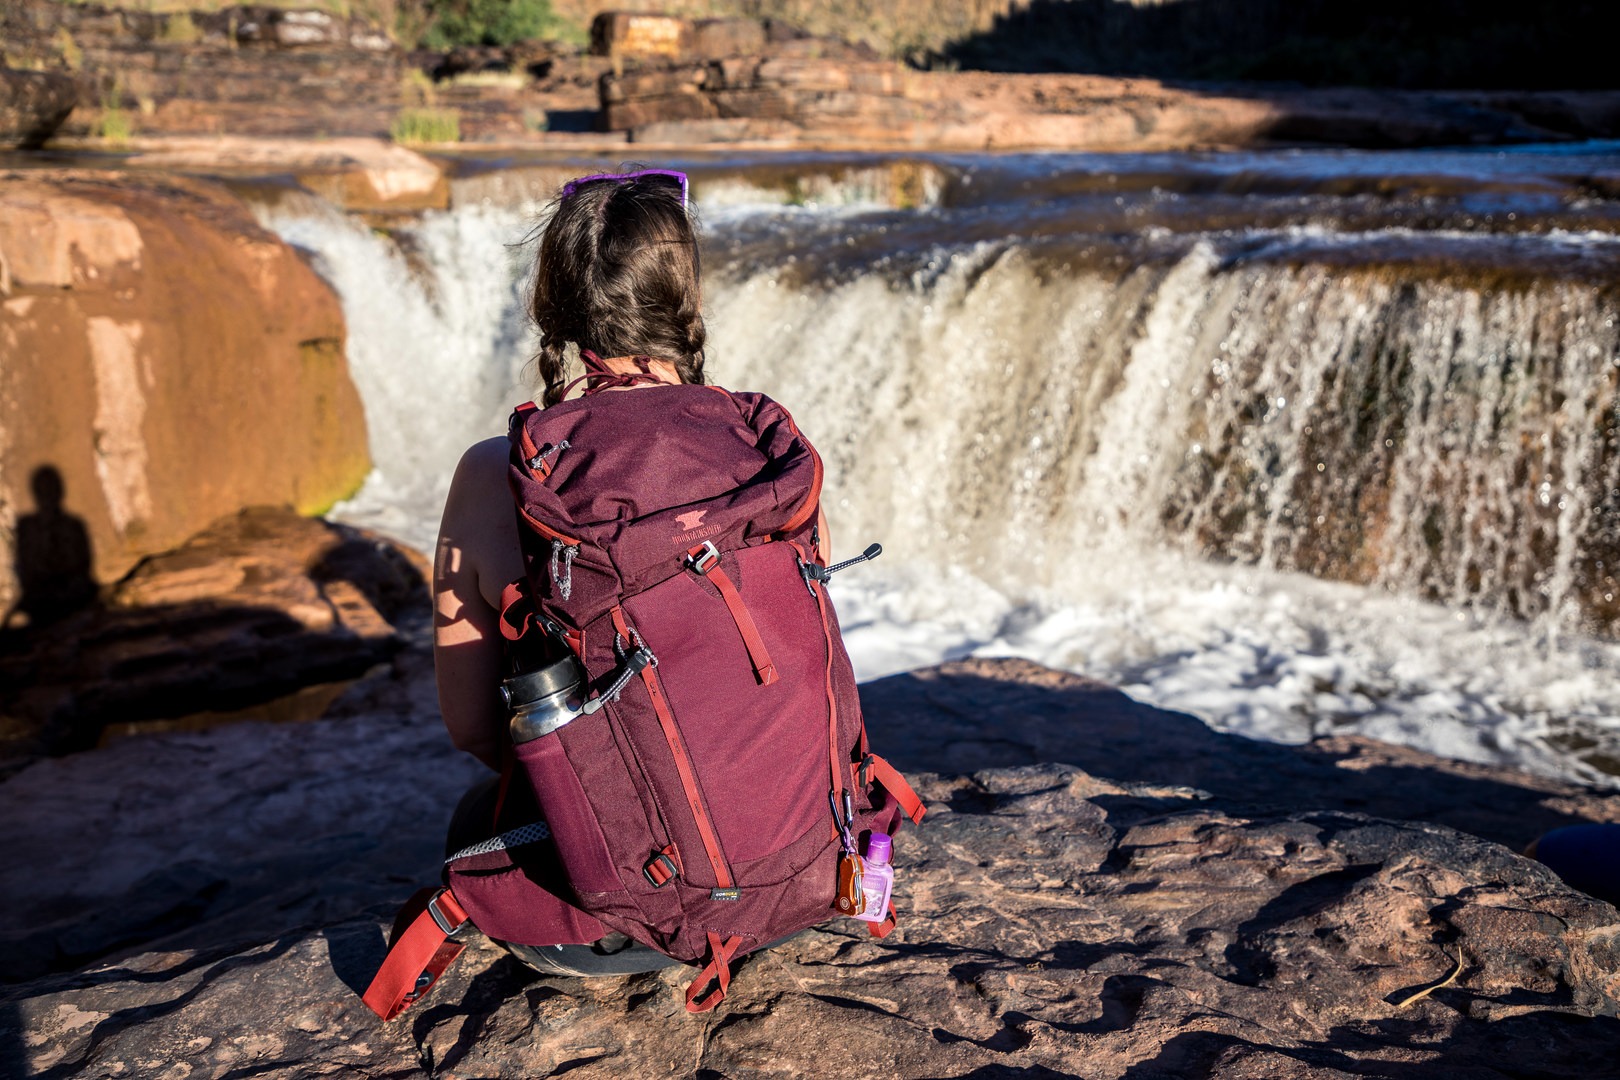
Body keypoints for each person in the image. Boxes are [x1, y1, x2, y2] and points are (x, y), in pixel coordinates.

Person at [429, 167, 828, 977]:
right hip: (806, 881)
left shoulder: (498, 473)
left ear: (563, 305)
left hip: (618, 927)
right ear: (685, 301)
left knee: (477, 817)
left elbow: (474, 728)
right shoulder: (766, 451)